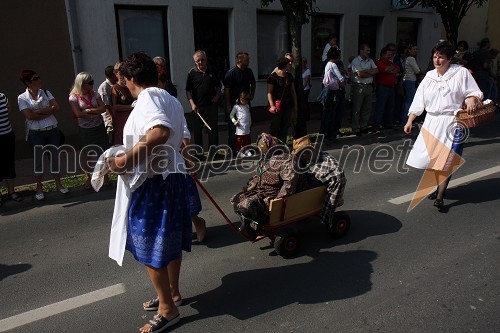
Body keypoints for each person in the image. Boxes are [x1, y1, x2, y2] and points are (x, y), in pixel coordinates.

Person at [106, 51, 190, 332]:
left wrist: (122, 160)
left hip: (155, 181)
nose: (124, 87)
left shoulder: (148, 98)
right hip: (172, 177)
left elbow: (159, 132)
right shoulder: (171, 99)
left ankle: (168, 309)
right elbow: (175, 136)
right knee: (169, 242)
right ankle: (172, 293)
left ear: (131, 78)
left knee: (150, 245)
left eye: (124, 81)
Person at [403, 41, 483, 210]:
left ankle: (440, 195)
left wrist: (471, 100)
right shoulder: (430, 76)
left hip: (452, 122)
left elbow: (474, 92)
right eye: (435, 56)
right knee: (433, 160)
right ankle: (436, 187)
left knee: (446, 160)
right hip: (432, 121)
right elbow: (419, 101)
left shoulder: (460, 73)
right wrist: (410, 120)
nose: (437, 60)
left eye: (441, 57)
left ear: (449, 59)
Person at [18, 70, 69, 201]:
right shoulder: (22, 98)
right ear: (28, 82)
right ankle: (39, 188)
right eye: (36, 78)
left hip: (52, 130)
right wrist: (48, 112)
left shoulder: (46, 92)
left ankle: (59, 184)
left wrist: (39, 112)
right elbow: (29, 116)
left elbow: (56, 107)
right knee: (38, 160)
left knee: (55, 158)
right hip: (36, 133)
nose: (39, 79)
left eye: (39, 77)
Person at [69, 72, 109, 189]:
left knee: (103, 151)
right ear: (82, 84)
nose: (92, 84)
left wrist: (89, 112)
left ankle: (105, 177)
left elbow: (103, 108)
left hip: (98, 126)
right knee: (87, 153)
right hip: (85, 129)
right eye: (89, 83)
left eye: (92, 82)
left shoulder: (95, 94)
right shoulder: (74, 97)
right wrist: (92, 113)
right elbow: (78, 113)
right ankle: (88, 177)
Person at [185, 50, 221, 152]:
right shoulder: (191, 73)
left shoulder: (213, 71)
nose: (200, 62)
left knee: (213, 130)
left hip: (211, 106)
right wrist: (192, 104)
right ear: (195, 61)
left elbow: (219, 86)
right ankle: (199, 154)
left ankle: (213, 153)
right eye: (198, 61)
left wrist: (217, 96)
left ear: (206, 59)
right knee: (197, 132)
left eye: (202, 60)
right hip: (197, 108)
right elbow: (188, 91)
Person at [224, 52, 256, 153]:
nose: (248, 61)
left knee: (247, 125)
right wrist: (228, 104)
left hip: (246, 104)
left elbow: (253, 84)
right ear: (239, 60)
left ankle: (246, 148)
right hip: (234, 105)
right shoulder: (231, 73)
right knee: (234, 128)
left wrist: (252, 95)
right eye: (247, 60)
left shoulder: (249, 71)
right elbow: (226, 89)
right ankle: (233, 150)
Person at [267, 56, 298, 143]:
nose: (290, 65)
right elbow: (269, 92)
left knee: (285, 127)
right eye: (289, 64)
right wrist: (272, 106)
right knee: (275, 126)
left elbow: (293, 91)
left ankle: (282, 146)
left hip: (288, 105)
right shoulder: (273, 77)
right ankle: (271, 146)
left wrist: (295, 105)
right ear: (285, 65)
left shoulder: (289, 76)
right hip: (277, 106)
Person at [350, 43, 379, 135]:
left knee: (367, 108)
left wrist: (366, 71)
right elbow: (360, 74)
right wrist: (370, 73)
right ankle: (355, 128)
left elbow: (377, 70)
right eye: (367, 50)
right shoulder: (355, 61)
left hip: (369, 86)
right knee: (357, 108)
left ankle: (363, 126)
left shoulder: (370, 60)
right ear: (361, 50)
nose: (368, 52)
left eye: (369, 50)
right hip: (359, 86)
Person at [319, 48, 346, 143]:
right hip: (333, 91)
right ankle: (329, 135)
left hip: (327, 90)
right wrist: (344, 79)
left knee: (327, 113)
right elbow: (340, 78)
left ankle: (323, 135)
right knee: (331, 113)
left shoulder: (327, 64)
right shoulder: (333, 64)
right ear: (336, 56)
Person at [0, 92, 22, 205]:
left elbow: (9, 109)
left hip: (7, 134)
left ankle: (11, 191)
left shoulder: (2, 96)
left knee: (9, 163)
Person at [373, 47, 400, 132]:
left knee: (390, 106)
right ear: (383, 54)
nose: (390, 57)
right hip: (382, 87)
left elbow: (397, 69)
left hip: (391, 87)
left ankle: (388, 124)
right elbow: (386, 70)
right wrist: (390, 70)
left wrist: (390, 70)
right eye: (388, 55)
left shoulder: (390, 63)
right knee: (380, 107)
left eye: (391, 55)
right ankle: (377, 125)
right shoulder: (378, 63)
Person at [111, 62, 135, 145]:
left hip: (133, 115)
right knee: (123, 140)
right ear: (116, 74)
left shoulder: (129, 86)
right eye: (121, 74)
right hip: (122, 118)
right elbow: (115, 107)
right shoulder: (115, 88)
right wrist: (131, 107)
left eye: (124, 74)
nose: (123, 76)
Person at [402, 44, 424, 124]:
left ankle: (406, 119)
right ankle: (406, 120)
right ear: (409, 50)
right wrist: (422, 71)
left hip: (409, 80)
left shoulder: (408, 58)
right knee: (410, 101)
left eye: (416, 49)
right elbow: (417, 71)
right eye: (414, 49)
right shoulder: (410, 58)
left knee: (408, 100)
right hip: (410, 80)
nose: (415, 51)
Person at [98, 65, 117, 145]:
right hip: (108, 119)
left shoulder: (113, 85)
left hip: (113, 116)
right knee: (110, 141)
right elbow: (106, 105)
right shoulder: (105, 86)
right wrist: (112, 118)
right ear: (112, 75)